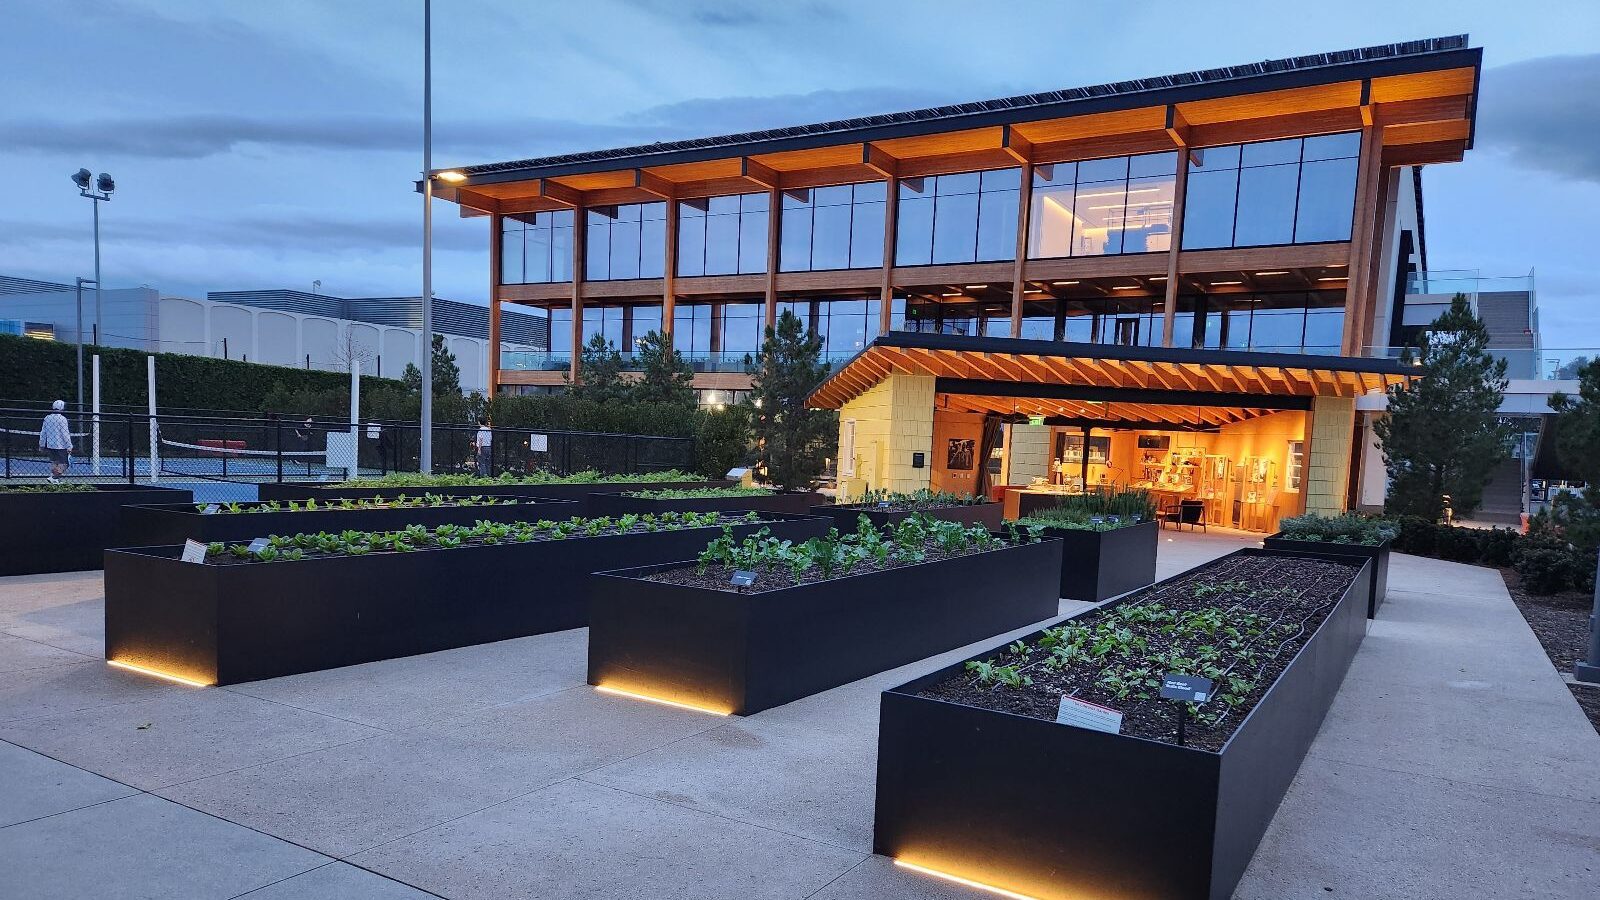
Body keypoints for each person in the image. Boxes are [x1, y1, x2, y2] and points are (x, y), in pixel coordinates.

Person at [38, 400, 73, 483]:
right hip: (61, 445)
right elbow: (65, 433)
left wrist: (41, 444)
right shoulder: (62, 419)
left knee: (55, 462)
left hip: (50, 444)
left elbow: (43, 432)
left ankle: (55, 479)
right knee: (65, 463)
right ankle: (54, 477)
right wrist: (69, 446)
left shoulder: (47, 418)